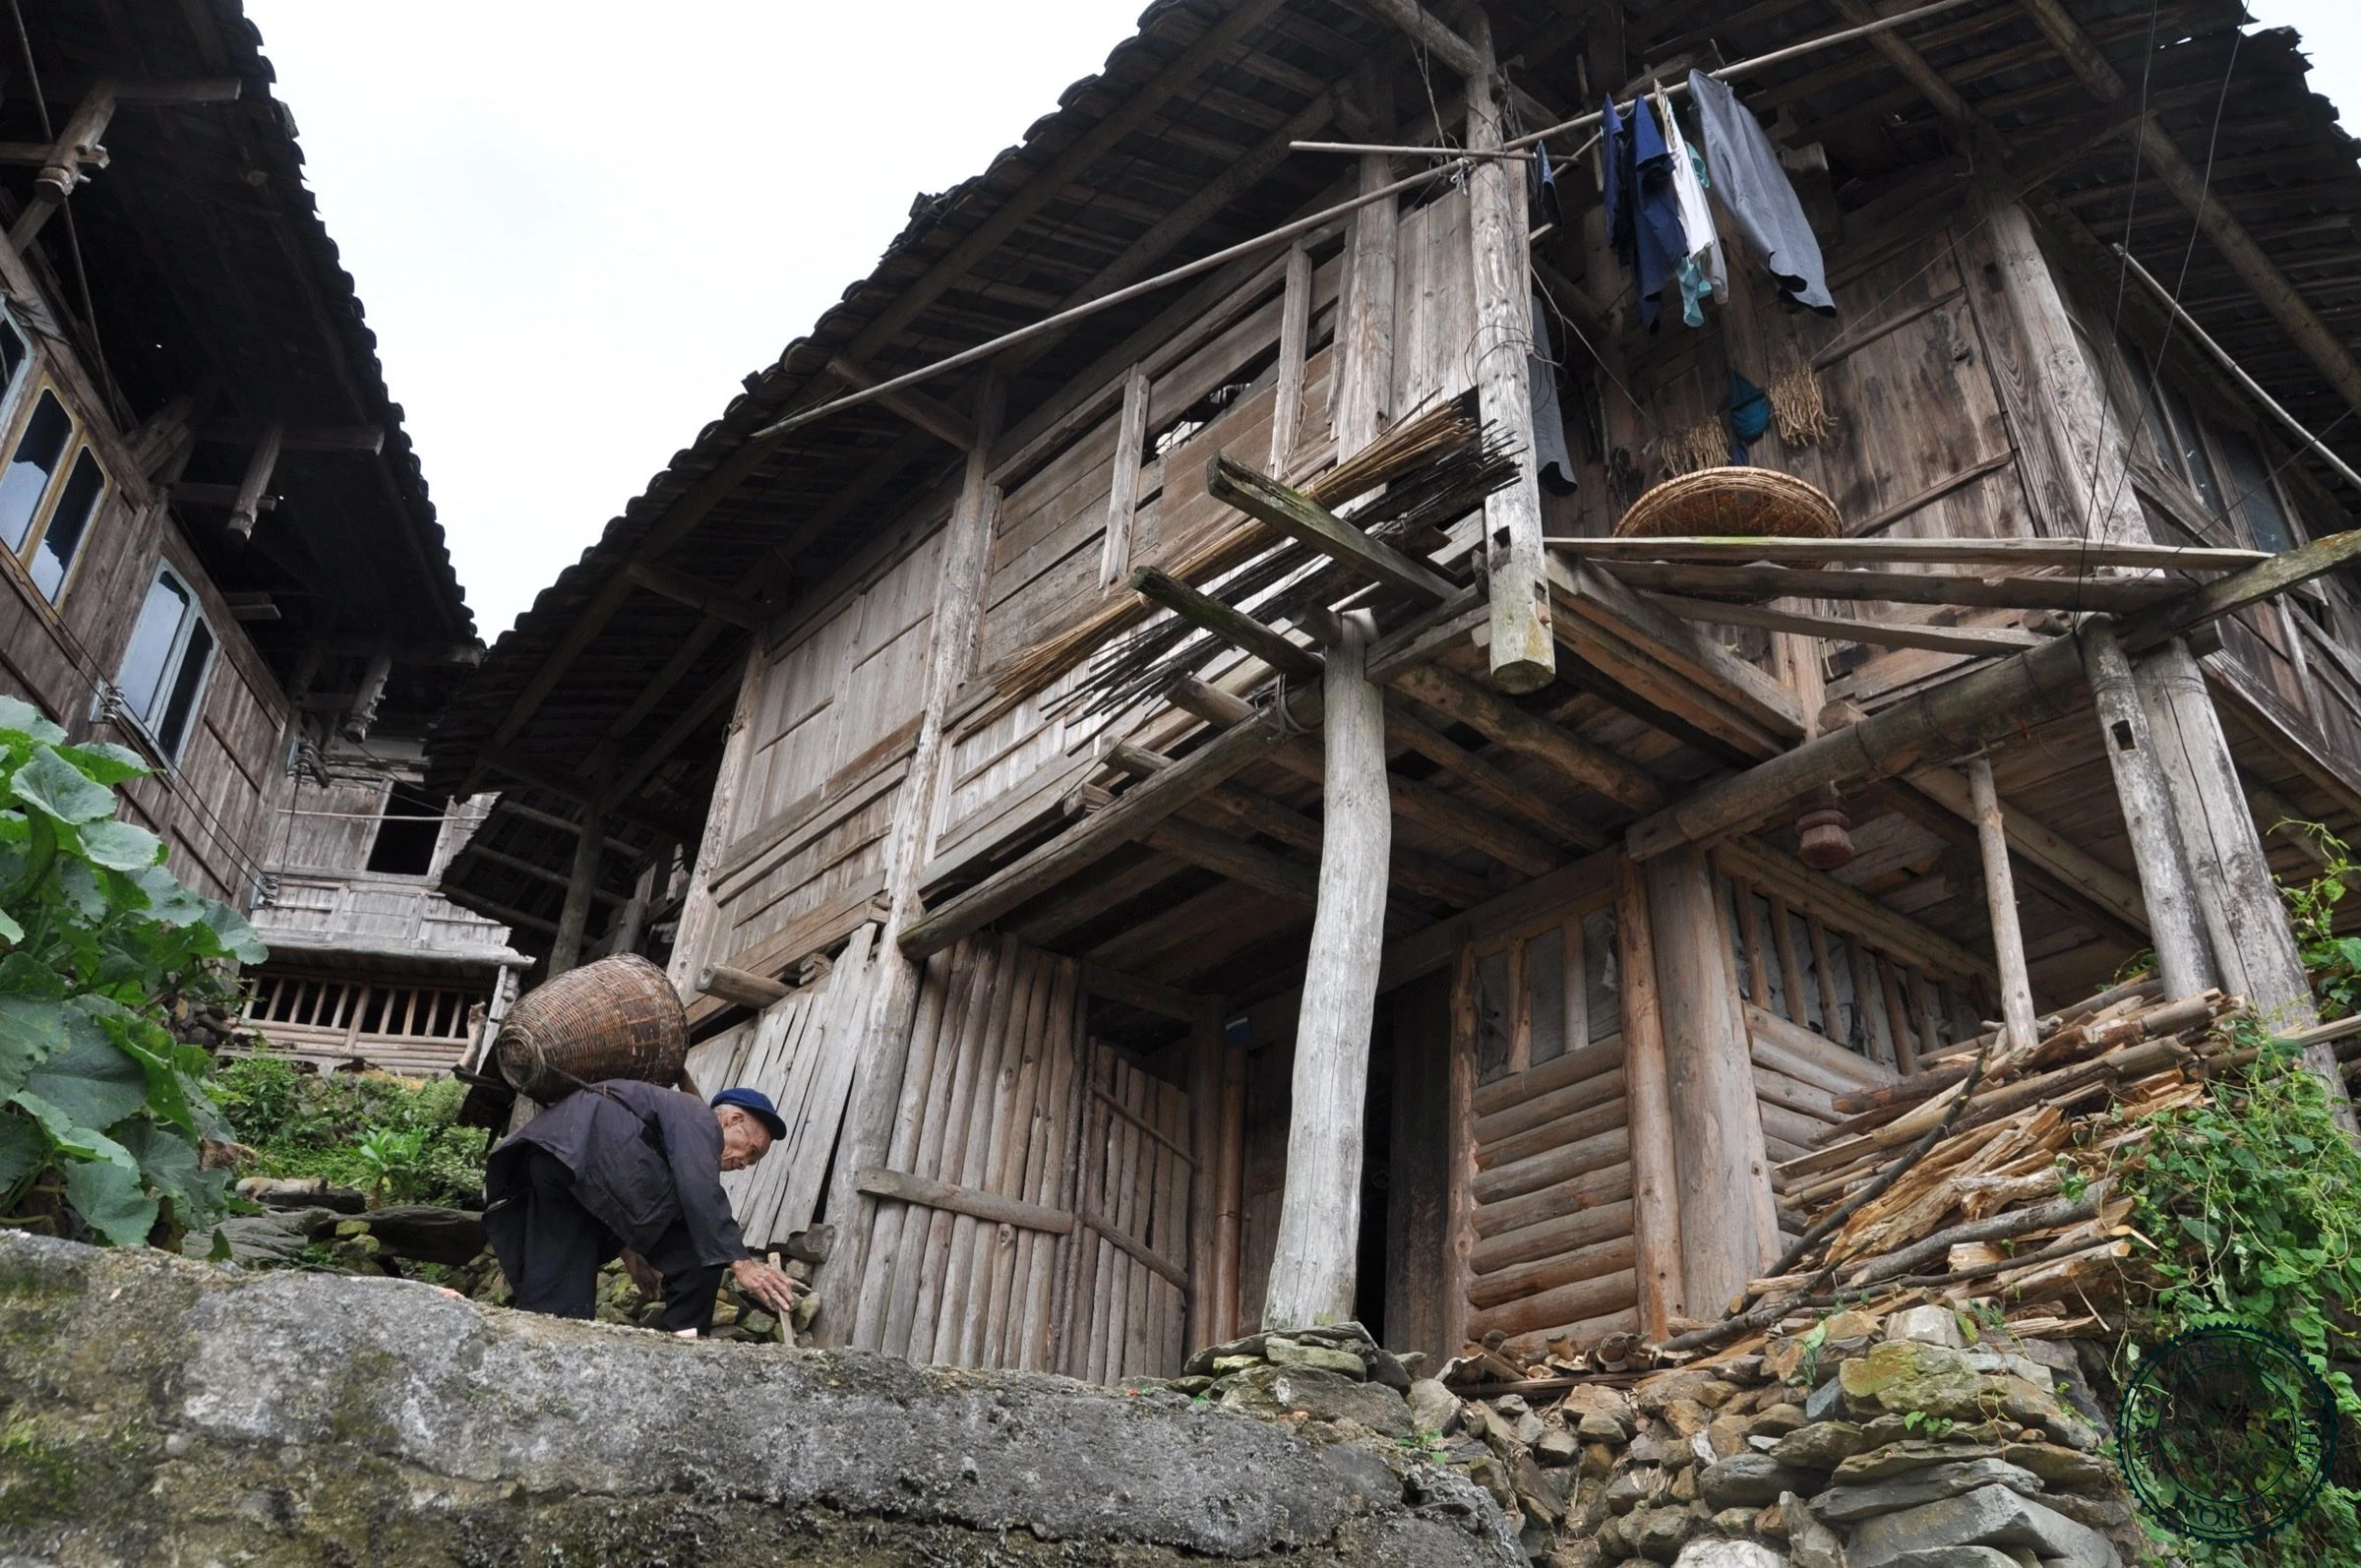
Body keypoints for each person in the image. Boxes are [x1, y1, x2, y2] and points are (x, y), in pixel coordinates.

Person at [483, 1080, 805, 1335]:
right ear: (733, 1119)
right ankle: (681, 1355)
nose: (746, 1164)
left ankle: (539, 1366)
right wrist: (742, 1264)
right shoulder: (698, 1116)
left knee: (559, 1299)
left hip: (555, 1157)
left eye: (752, 1161)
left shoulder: (669, 1121)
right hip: (589, 1150)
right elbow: (699, 1189)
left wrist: (631, 1253)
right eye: (751, 1151)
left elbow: (611, 1191)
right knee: (697, 1258)